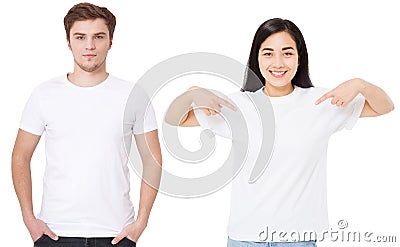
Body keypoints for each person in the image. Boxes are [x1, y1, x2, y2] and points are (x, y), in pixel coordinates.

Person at [165, 18, 394, 246]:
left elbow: (384, 107)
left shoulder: (322, 102)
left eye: (287, 53)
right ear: (257, 57)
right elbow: (175, 119)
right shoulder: (239, 106)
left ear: (299, 57)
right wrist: (191, 93)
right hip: (246, 237)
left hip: (298, 237)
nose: (278, 63)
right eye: (268, 53)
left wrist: (360, 84)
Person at [11, 3, 162, 247]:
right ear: (69, 42)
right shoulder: (43, 95)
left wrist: (141, 222)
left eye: (98, 37)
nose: (89, 46)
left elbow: (152, 160)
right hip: (55, 232)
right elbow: (20, 156)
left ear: (111, 41)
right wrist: (30, 220)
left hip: (116, 234)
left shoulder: (134, 95)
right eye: (80, 37)